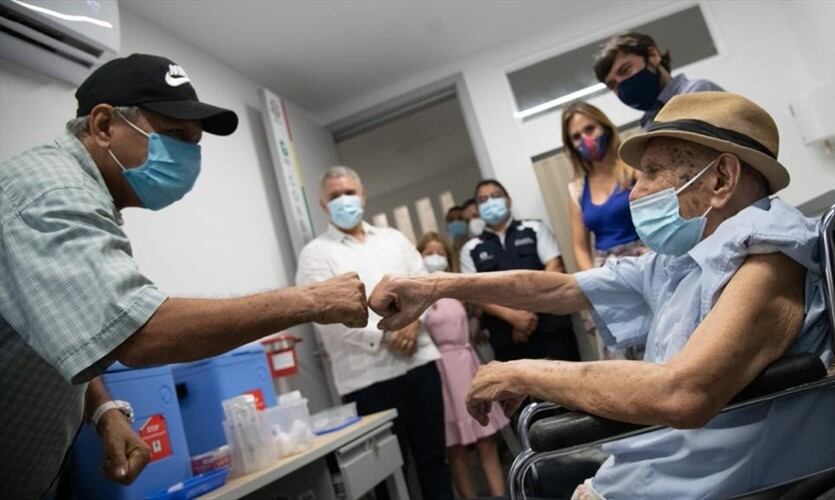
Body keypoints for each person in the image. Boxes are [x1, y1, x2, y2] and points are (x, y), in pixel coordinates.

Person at [368, 93, 835, 499]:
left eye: (651, 173)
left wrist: (525, 371)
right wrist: (435, 286)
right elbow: (559, 288)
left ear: (721, 180)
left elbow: (684, 394)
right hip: (656, 474)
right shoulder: (681, 259)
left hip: (723, 485)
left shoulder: (768, 261)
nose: (632, 192)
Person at [0, 54, 367, 498]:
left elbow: (66, 317)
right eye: (174, 136)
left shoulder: (80, 193)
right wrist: (312, 301)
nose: (187, 157)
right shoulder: (53, 194)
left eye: (194, 143)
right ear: (102, 126)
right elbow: (141, 334)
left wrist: (103, 411)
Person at [295, 166, 453, 500]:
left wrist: (412, 322)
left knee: (434, 459)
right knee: (386, 475)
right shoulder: (316, 254)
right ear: (323, 205)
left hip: (420, 363)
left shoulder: (394, 238)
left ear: (363, 195)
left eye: (350, 192)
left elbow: (424, 283)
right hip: (368, 379)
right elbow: (327, 314)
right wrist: (390, 329)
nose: (344, 200)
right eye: (335, 196)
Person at [417, 232, 509, 498]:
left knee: (485, 438)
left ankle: (499, 494)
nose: (435, 257)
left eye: (440, 252)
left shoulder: (457, 288)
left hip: (467, 362)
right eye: (428, 252)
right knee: (455, 446)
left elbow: (471, 324)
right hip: (440, 371)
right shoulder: (420, 295)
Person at [460, 180, 580, 363]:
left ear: (508, 201)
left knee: (571, 388)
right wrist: (513, 317)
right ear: (477, 208)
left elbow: (554, 267)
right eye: (483, 200)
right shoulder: (470, 249)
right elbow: (476, 294)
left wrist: (527, 314)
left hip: (551, 329)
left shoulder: (535, 228)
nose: (490, 202)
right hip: (507, 341)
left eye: (495, 196)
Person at [562, 101, 646, 269]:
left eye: (590, 129)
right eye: (576, 137)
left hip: (646, 258)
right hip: (606, 269)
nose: (586, 140)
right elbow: (580, 248)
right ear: (571, 146)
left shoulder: (634, 170)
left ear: (605, 127)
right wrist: (593, 282)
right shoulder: (577, 189)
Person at [594, 32, 723, 130]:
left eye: (625, 70)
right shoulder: (648, 122)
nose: (621, 84)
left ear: (653, 56)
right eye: (613, 85)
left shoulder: (697, 93)